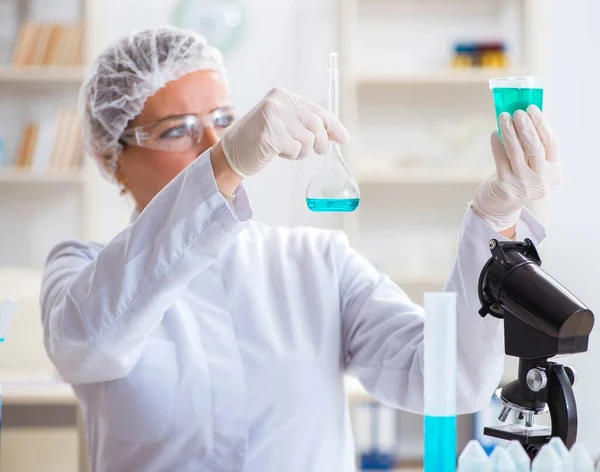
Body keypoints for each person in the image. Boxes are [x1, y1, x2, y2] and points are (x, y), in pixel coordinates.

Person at [40, 26, 562, 472]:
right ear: (113, 158)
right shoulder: (80, 270)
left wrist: (497, 223)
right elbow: (89, 344)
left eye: (224, 121)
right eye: (177, 130)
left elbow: (451, 381)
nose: (210, 145)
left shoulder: (317, 263)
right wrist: (224, 165)